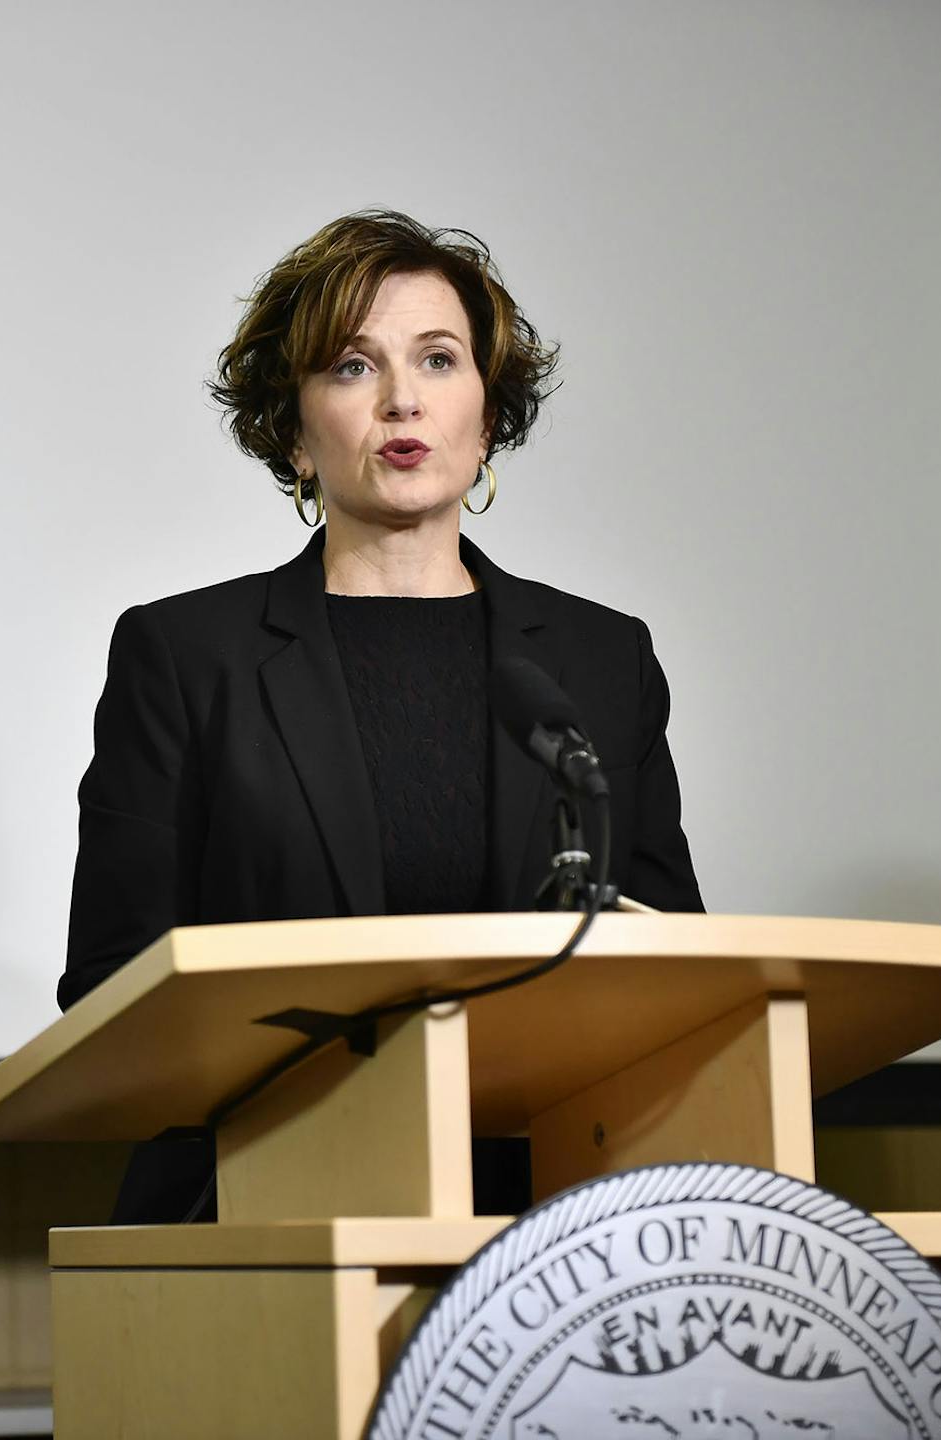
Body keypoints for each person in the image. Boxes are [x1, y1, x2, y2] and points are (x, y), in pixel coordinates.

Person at [60, 210, 703, 1223]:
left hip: (550, 1218)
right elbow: (112, 984)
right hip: (265, 1204)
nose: (404, 398)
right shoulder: (188, 657)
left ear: (487, 418)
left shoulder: (595, 662)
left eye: (439, 360)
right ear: (295, 430)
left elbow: (671, 957)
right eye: (353, 367)